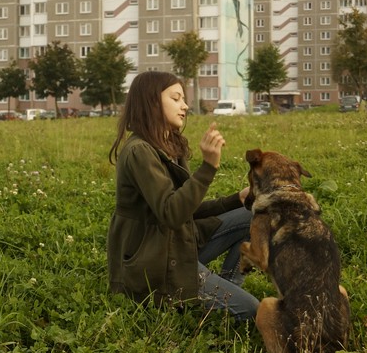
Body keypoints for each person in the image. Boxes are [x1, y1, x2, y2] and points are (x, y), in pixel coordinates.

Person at [107, 71, 258, 321]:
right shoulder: (139, 152)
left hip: (175, 245)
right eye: (176, 98)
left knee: (253, 214)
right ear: (152, 102)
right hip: (153, 262)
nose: (185, 106)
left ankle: (227, 288)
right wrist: (208, 167)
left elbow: (187, 208)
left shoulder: (168, 145)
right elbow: (172, 212)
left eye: (183, 99)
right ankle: (215, 296)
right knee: (253, 310)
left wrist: (236, 200)